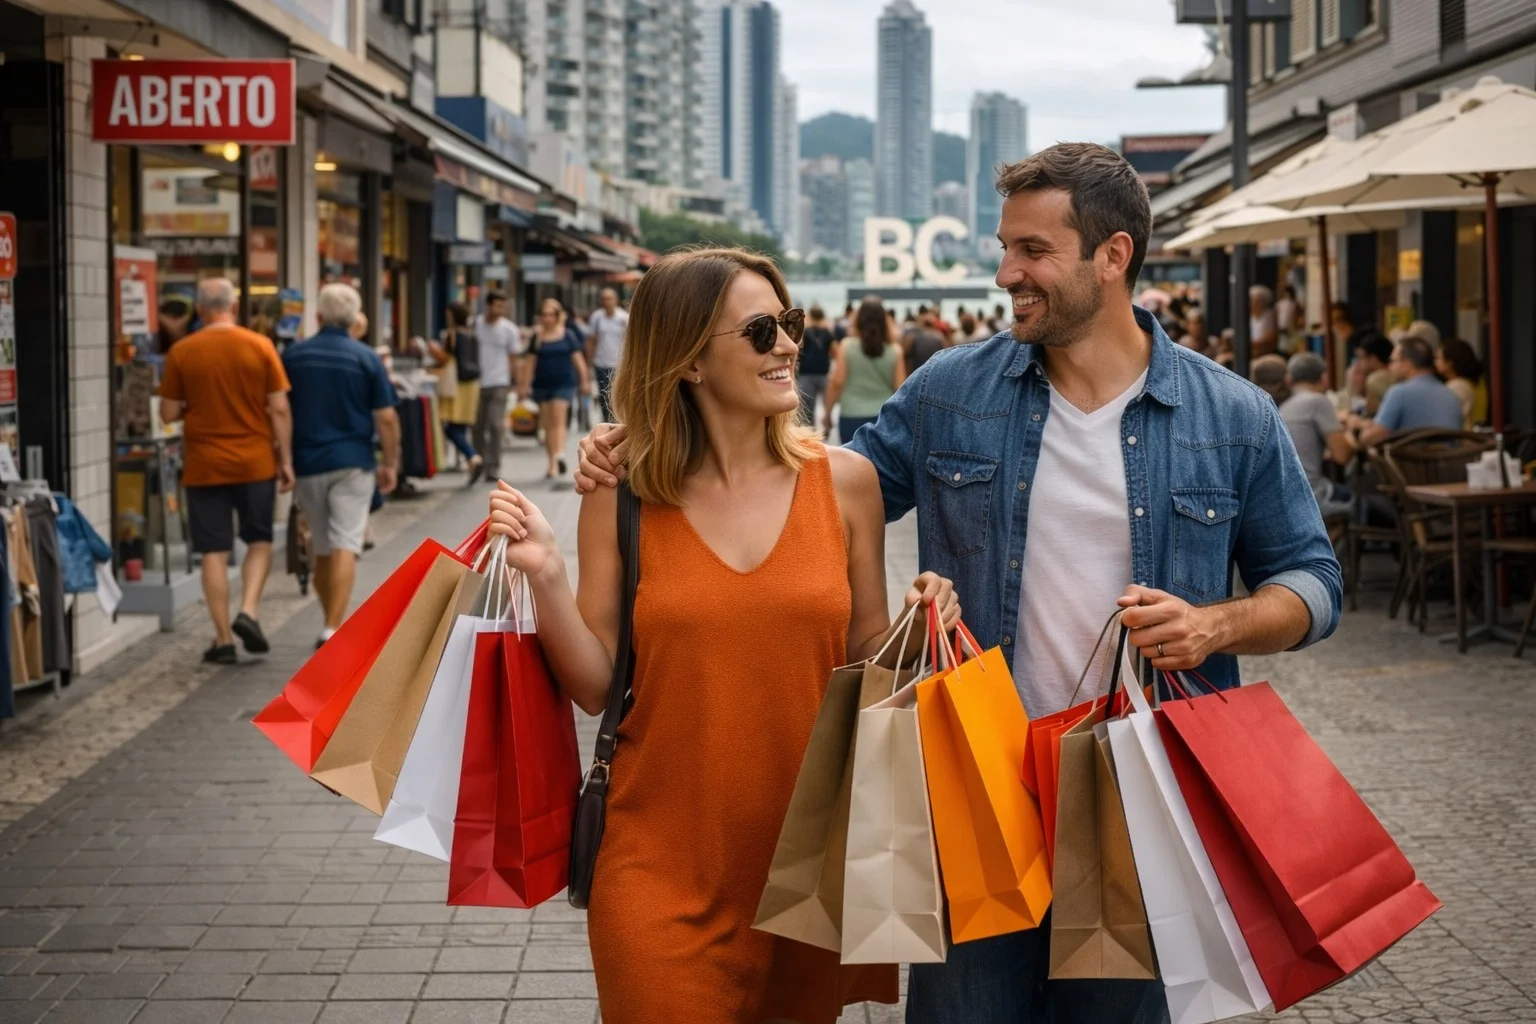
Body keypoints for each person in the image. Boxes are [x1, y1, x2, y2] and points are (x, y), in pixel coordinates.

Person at [577, 142, 1343, 1024]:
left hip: (1138, 809)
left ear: (1113, 256)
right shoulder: (952, 393)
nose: (1004, 271)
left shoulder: (1232, 415)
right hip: (974, 801)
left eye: (1031, 251)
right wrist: (641, 439)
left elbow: (1314, 583)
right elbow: (803, 494)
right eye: (1004, 246)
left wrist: (1218, 626)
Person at [487, 247, 961, 1023]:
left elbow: (866, 663)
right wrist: (543, 572)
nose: (787, 345)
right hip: (655, 863)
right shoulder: (624, 493)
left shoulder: (845, 483)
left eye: (792, 323)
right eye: (761, 329)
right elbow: (595, 685)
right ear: (690, 361)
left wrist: (923, 624)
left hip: (805, 868)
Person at [158, 278, 294, 665]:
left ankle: (222, 641)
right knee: (259, 540)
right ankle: (248, 611)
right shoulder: (260, 346)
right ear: (233, 307)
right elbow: (279, 408)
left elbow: (167, 413)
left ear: (200, 311)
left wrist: (195, 409)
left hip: (204, 465)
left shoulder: (183, 351)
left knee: (213, 552)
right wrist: (285, 460)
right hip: (255, 462)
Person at [283, 284, 401, 648]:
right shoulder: (366, 358)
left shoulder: (294, 356)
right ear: (354, 319)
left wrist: (283, 459)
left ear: (317, 317)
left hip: (308, 463)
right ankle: (333, 626)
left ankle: (328, 619)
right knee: (345, 544)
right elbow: (386, 418)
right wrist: (391, 463)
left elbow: (280, 411)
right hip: (353, 462)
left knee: (321, 546)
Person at [1349, 334, 1466, 448]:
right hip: (1450, 465)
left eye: (1393, 360)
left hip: (1407, 466)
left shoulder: (1399, 393)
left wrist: (1356, 427)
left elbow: (1371, 438)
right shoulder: (1451, 395)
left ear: (1407, 364)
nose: (1390, 367)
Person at [1280, 352, 1356, 521]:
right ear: (1323, 378)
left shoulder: (1286, 406)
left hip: (1284, 493)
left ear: (1289, 379)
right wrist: (1352, 431)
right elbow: (1342, 455)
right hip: (1311, 494)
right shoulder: (1318, 401)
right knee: (1358, 501)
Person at [519, 297, 590, 480]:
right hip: (542, 385)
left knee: (558, 420)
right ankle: (551, 463)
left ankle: (559, 455)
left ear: (558, 316)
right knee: (547, 424)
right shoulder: (537, 336)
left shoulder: (567, 335)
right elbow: (529, 363)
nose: (548, 318)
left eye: (551, 314)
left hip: (564, 383)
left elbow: (578, 360)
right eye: (544, 314)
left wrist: (584, 381)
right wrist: (524, 386)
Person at [824, 299, 906, 444]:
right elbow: (900, 388)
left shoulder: (846, 346)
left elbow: (837, 382)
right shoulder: (895, 351)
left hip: (851, 415)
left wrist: (828, 413)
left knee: (851, 464)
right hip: (883, 419)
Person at [428, 301, 483, 484]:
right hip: (472, 384)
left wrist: (431, 349)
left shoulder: (453, 334)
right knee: (460, 426)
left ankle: (472, 457)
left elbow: (445, 358)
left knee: (451, 428)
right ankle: (470, 461)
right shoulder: (472, 334)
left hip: (456, 385)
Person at [472, 291, 522, 476]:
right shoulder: (476, 325)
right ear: (488, 305)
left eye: (504, 306)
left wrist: (517, 383)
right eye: (498, 305)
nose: (501, 310)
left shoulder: (509, 329)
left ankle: (493, 465)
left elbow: (514, 358)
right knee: (477, 425)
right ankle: (479, 461)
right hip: (476, 383)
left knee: (494, 423)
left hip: (499, 381)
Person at [587, 287, 629, 424]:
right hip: (601, 362)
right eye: (604, 299)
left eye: (609, 298)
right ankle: (607, 421)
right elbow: (591, 341)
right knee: (604, 395)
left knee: (619, 395)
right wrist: (589, 361)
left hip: (620, 364)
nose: (607, 302)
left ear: (615, 300)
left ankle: (619, 421)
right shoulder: (597, 318)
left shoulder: (624, 317)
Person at [796, 305, 838, 426]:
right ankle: (827, 426)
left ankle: (810, 433)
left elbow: (798, 349)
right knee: (827, 404)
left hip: (806, 373)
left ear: (810, 316)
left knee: (807, 408)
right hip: (823, 373)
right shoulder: (828, 334)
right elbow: (835, 353)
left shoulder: (805, 332)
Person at [1436, 338, 1485, 428]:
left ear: (1449, 363)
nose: (1435, 362)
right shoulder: (1473, 383)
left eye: (1438, 358)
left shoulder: (1458, 387)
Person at [1348, 329, 1396, 417]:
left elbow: (1369, 416)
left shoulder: (1376, 380)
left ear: (1373, 359)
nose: (1358, 364)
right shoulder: (1393, 375)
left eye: (1361, 358)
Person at [902, 306, 946, 373]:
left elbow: (906, 355)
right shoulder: (939, 337)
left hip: (916, 372)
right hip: (933, 371)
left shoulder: (912, 336)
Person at [1249, 283, 1279, 356]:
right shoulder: (1250, 316)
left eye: (1253, 300)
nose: (1250, 303)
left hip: (1264, 353)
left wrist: (1249, 344)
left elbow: (1269, 338)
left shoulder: (1268, 316)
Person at [1275, 284, 1301, 352]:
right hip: (1281, 327)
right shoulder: (1280, 304)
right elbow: (1276, 315)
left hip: (1290, 328)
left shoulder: (1294, 304)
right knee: (1282, 345)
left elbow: (1296, 316)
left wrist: (1294, 327)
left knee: (1290, 346)